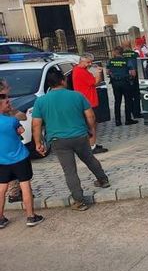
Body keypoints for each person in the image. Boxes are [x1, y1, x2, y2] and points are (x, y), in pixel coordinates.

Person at [32, 69, 110, 211]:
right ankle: (103, 180)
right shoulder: (77, 96)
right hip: (80, 136)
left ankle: (79, 201)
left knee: (70, 171)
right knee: (89, 159)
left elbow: (36, 124)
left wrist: (38, 142)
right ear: (63, 80)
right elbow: (91, 116)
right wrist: (92, 131)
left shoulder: (40, 101)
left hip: (58, 140)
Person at [0, 93, 44, 228]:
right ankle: (31, 216)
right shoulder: (12, 121)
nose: (9, 104)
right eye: (7, 103)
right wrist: (12, 114)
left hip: (2, 160)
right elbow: (21, 130)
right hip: (20, 158)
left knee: (1, 189)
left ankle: (0, 218)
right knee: (25, 186)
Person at [71, 54, 108, 154]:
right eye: (88, 62)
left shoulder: (78, 70)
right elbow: (95, 82)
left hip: (88, 100)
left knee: (92, 124)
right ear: (81, 61)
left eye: (91, 62)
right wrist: (99, 73)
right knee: (91, 124)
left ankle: (92, 144)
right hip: (89, 101)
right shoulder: (81, 72)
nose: (90, 64)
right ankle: (91, 146)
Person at [0, 78, 26, 204]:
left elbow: (22, 116)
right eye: (6, 86)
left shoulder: (8, 104)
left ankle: (16, 192)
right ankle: (14, 194)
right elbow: (21, 117)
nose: (9, 88)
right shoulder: (5, 105)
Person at [105, 46, 138, 126]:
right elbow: (133, 73)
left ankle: (118, 121)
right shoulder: (127, 61)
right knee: (128, 101)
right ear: (122, 52)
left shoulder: (110, 61)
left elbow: (107, 72)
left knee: (117, 101)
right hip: (125, 82)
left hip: (115, 83)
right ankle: (128, 120)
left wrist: (114, 73)